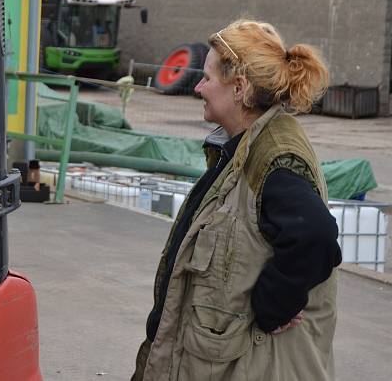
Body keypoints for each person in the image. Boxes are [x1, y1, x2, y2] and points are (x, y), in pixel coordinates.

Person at [132, 19, 342, 381]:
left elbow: (315, 237)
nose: (198, 87)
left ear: (240, 88)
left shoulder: (274, 159)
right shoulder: (241, 148)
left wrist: (271, 306)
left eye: (208, 78)